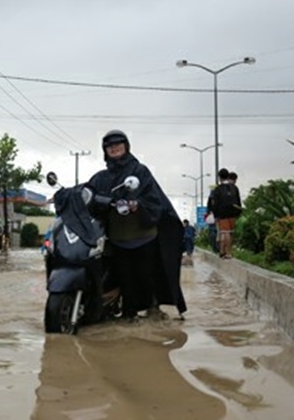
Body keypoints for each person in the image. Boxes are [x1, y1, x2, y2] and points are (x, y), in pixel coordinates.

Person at [87, 130, 187, 320]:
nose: (114, 148)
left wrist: (137, 205)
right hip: (117, 239)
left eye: (118, 144)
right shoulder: (101, 177)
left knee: (146, 277)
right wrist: (66, 196)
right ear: (104, 150)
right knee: (125, 278)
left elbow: (154, 199)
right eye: (109, 146)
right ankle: (127, 313)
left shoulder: (139, 171)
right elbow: (88, 193)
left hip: (143, 236)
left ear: (126, 146)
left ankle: (152, 309)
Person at [207, 168, 242, 259]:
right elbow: (238, 201)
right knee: (230, 233)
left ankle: (225, 252)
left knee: (224, 233)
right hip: (233, 214)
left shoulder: (217, 189)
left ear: (219, 177)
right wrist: (238, 212)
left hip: (222, 215)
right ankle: (225, 252)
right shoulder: (234, 188)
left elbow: (215, 203)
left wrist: (214, 214)